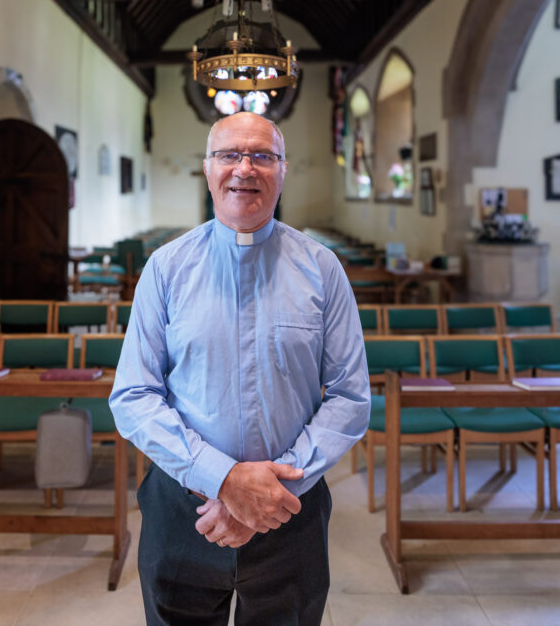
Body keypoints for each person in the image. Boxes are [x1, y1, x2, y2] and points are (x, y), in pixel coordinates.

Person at [110, 111, 370, 625]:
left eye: (262, 156)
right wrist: (225, 480)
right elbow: (134, 396)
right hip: (184, 509)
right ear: (208, 169)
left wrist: (269, 496)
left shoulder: (321, 269)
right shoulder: (165, 269)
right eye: (229, 154)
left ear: (282, 170)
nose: (244, 168)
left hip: (290, 514)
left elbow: (350, 397)